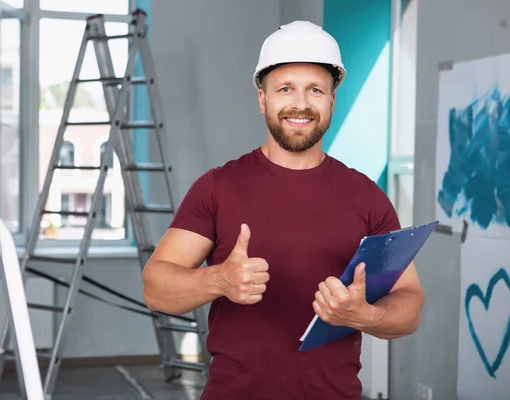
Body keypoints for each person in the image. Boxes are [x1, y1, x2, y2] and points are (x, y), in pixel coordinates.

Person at [142, 20, 425, 399]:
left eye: (315, 90)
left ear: (331, 102)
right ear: (263, 99)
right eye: (285, 89)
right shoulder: (217, 187)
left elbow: (409, 304)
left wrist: (365, 315)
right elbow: (155, 287)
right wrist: (218, 280)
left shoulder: (366, 196)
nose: (301, 104)